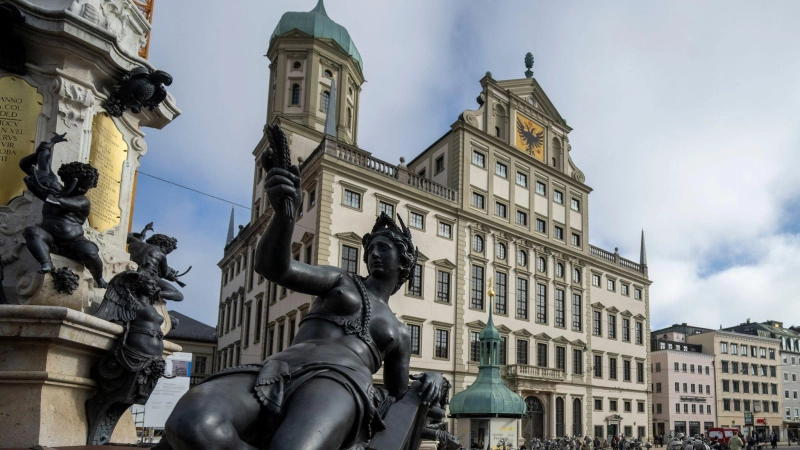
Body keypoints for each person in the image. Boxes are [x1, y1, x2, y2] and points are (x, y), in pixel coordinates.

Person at [160, 149, 447, 450]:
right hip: (278, 367)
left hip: (340, 381)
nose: (374, 253)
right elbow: (276, 268)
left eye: (384, 248)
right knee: (190, 423)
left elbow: (399, 394)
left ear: (404, 263)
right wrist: (285, 215)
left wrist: (435, 378)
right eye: (371, 247)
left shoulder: (400, 332)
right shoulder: (340, 280)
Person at [21, 157, 106, 288]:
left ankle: (99, 278)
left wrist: (36, 189)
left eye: (86, 187)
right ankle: (46, 262)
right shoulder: (55, 189)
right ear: (67, 180)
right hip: (49, 238)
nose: (83, 190)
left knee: (90, 252)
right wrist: (40, 152)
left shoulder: (83, 201)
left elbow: (60, 203)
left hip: (74, 242)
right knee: (31, 232)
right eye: (80, 185)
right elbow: (26, 166)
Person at [127, 222, 184, 301]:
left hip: (133, 270)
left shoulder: (136, 243)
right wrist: (170, 276)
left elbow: (128, 236)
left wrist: (144, 231)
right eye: (167, 251)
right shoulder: (161, 255)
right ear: (162, 245)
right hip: (149, 277)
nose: (166, 254)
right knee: (179, 295)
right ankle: (155, 293)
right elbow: (164, 274)